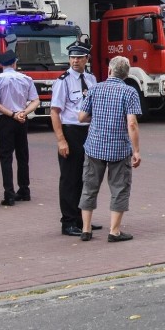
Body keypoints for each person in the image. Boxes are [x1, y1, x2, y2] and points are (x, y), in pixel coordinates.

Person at [78, 55, 142, 242]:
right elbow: (132, 123)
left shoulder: (95, 89)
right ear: (127, 74)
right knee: (119, 188)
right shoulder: (129, 92)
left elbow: (81, 117)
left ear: (109, 71)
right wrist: (136, 150)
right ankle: (114, 231)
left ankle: (86, 229)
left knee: (89, 187)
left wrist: (97, 120)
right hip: (119, 148)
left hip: (94, 146)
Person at [50, 42, 103, 236]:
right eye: (72, 57)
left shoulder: (91, 79)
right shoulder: (63, 81)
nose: (75, 61)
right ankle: (68, 221)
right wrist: (61, 140)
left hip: (88, 131)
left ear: (86, 59)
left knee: (87, 177)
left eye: (79, 57)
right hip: (70, 132)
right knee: (70, 179)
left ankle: (83, 219)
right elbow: (55, 112)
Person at [0, 49, 39, 206]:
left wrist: (12, 114)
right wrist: (23, 113)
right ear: (15, 63)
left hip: (6, 120)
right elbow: (36, 101)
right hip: (22, 121)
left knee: (6, 157)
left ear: (2, 64)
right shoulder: (26, 78)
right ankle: (24, 189)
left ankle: (9, 194)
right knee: (23, 156)